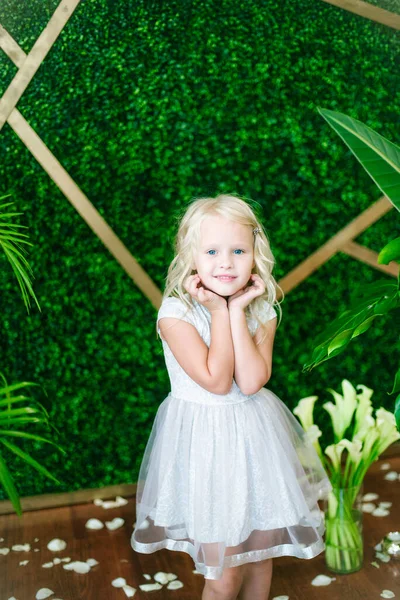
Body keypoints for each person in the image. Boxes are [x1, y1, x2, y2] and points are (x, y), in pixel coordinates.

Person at [131, 193, 332, 600]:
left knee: (260, 556)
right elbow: (218, 380)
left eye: (238, 250)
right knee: (222, 574)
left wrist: (238, 310)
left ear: (255, 255)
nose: (226, 262)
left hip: (253, 440)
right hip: (204, 446)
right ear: (191, 257)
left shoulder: (261, 310)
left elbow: (253, 380)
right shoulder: (176, 312)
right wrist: (219, 313)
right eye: (212, 251)